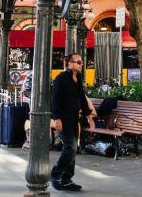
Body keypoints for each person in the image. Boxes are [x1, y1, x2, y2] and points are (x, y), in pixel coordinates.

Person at [50, 53, 94, 192]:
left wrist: (88, 115)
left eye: (81, 62)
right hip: (63, 118)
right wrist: (57, 118)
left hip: (74, 118)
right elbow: (54, 99)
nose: (81, 64)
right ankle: (56, 174)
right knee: (71, 147)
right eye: (78, 62)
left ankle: (67, 180)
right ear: (70, 63)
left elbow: (81, 97)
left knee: (73, 148)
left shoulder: (78, 78)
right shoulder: (61, 78)